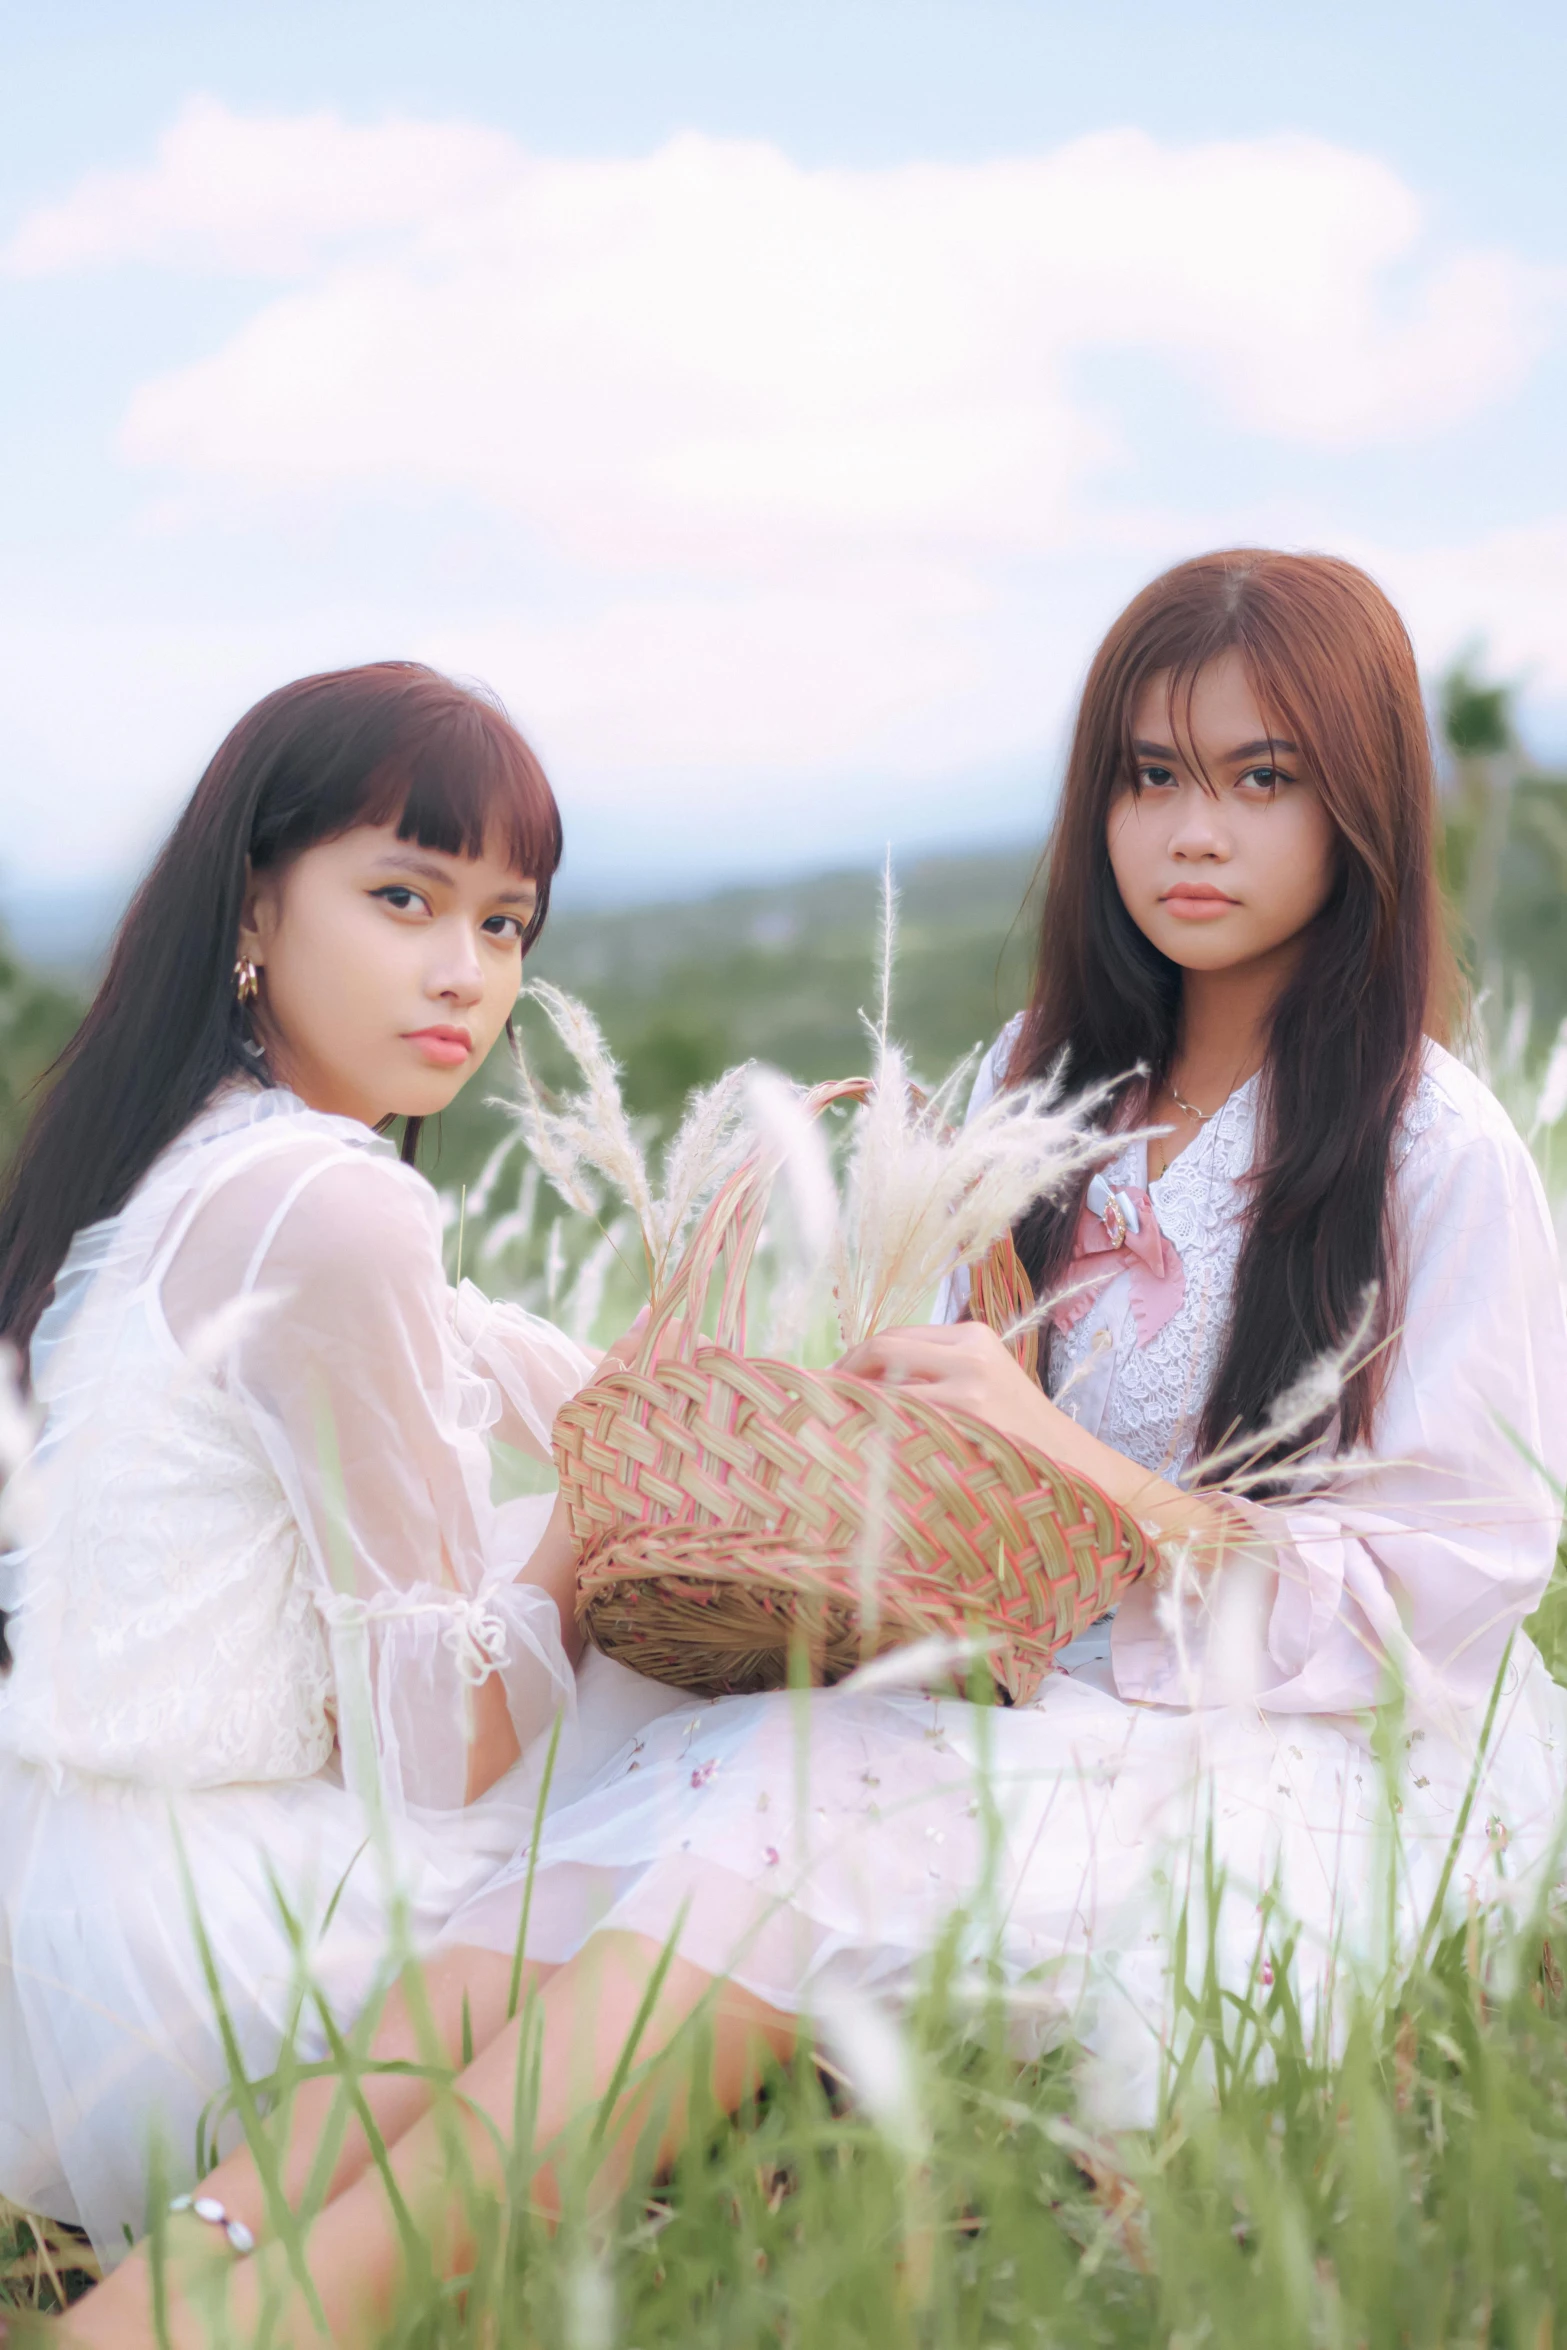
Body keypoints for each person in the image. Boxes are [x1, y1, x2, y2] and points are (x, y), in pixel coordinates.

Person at [63, 551, 1567, 2349]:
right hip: (1004, 1679)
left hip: (1276, 1732)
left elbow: (1445, 1595)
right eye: (1150, 775)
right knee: (592, 1864)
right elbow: (951, 1462)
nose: (1194, 830)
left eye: (1264, 779)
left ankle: (277, 2315)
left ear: (1362, 801)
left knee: (761, 1849)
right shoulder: (1040, 1073)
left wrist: (1072, 1466)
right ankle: (167, 2286)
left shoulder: (1428, 1146)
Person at [0, 661, 660, 2264]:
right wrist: (607, 1508)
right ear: (255, 906)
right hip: (212, 1962)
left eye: (504, 923)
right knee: (727, 1759)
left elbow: (487, 1348)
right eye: (401, 896)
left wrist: (679, 1392)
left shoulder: (191, 1140)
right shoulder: (326, 1200)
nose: (464, 973)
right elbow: (443, 1750)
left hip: (69, 1905)